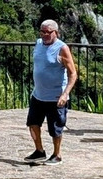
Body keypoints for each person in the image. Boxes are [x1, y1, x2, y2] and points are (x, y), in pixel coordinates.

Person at [26, 19, 78, 164]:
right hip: (38, 94)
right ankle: (39, 151)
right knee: (32, 123)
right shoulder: (38, 44)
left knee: (55, 128)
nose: (44, 35)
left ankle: (57, 154)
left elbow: (73, 73)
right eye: (42, 31)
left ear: (56, 32)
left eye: (48, 32)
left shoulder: (62, 48)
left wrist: (65, 93)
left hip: (55, 96)